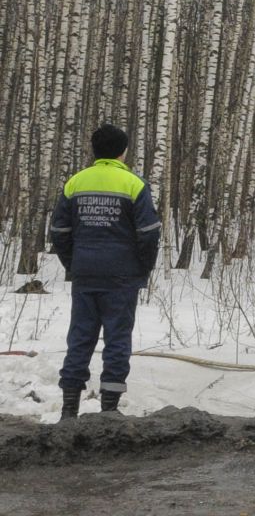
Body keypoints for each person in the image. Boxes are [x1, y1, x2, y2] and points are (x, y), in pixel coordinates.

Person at [49, 123, 162, 420]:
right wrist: (143, 267)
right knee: (118, 339)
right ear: (123, 152)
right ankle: (109, 411)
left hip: (85, 273)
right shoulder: (134, 184)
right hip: (122, 275)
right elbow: (149, 232)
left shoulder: (75, 183)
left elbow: (59, 229)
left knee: (80, 337)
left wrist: (73, 263)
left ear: (94, 150)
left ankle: (69, 410)